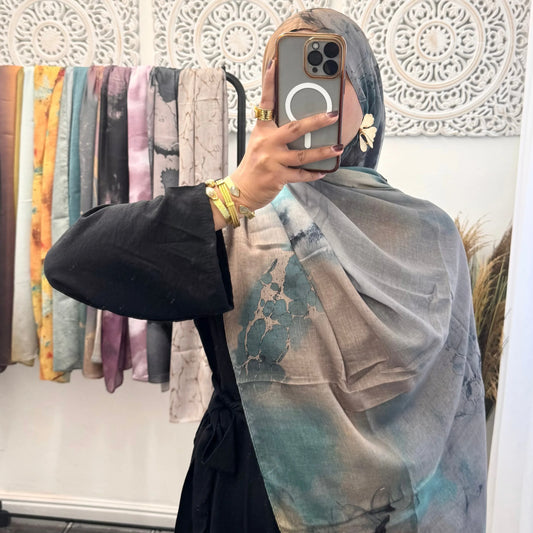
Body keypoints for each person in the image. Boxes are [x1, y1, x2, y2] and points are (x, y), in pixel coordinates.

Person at [45, 8, 487, 533]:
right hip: (253, 501)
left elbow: (448, 396)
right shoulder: (238, 222)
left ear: (367, 96)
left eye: (329, 72)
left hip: (401, 510)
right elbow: (71, 262)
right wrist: (229, 197)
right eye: (284, 75)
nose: (309, 96)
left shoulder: (431, 234)